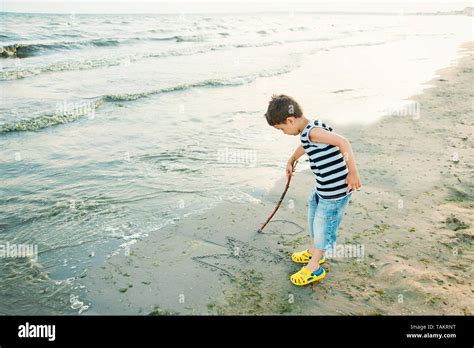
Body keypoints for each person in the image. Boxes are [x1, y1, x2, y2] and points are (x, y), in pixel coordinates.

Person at [264, 94, 362, 286]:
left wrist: (353, 173)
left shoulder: (313, 131)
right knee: (314, 221)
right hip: (322, 189)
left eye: (281, 129)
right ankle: (315, 252)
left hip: (334, 191)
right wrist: (291, 159)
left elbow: (344, 142)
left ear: (290, 120)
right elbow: (305, 145)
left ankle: (315, 266)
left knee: (323, 226)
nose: (283, 132)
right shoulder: (308, 130)